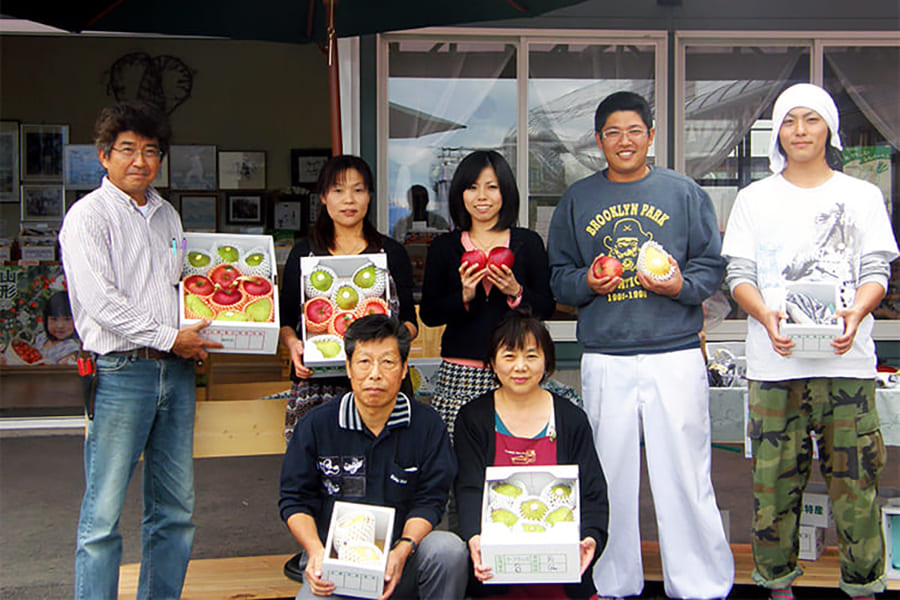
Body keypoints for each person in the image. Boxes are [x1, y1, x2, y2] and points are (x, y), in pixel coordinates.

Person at [546, 91, 734, 600]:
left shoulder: (683, 193)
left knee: (686, 471)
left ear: (651, 135)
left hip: (673, 350)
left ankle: (700, 585)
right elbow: (558, 279)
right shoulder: (578, 200)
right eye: (612, 132)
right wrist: (588, 281)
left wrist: (679, 287)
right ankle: (610, 580)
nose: (623, 141)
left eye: (634, 130)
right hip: (606, 353)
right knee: (608, 472)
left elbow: (710, 266)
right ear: (598, 140)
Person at [721, 83, 897, 600]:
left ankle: (864, 587)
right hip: (775, 366)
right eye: (790, 120)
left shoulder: (860, 195)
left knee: (856, 484)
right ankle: (777, 585)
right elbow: (739, 275)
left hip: (847, 365)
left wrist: (856, 312)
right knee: (773, 486)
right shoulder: (755, 199)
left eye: (812, 120)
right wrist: (765, 315)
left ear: (829, 129)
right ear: (777, 131)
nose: (800, 130)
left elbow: (875, 270)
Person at [59, 100, 222, 600]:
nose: (140, 161)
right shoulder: (87, 216)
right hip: (119, 373)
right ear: (103, 156)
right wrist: (171, 336)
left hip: (174, 373)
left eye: (151, 151)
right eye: (127, 149)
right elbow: (101, 302)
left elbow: (180, 288)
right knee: (103, 514)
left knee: (175, 512)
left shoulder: (167, 215)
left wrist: (193, 334)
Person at [279, 314, 469, 600]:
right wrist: (317, 552)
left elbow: (431, 500)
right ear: (349, 367)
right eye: (364, 361)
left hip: (401, 558)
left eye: (388, 362)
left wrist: (403, 549)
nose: (375, 374)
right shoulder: (317, 425)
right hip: (334, 565)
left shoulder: (427, 425)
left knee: (448, 550)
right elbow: (294, 499)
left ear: (404, 368)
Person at [454, 309, 609, 599]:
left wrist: (590, 539)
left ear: (547, 361)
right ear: (492, 362)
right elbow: (469, 488)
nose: (520, 367)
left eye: (531, 355)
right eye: (509, 356)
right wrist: (474, 539)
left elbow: (592, 491)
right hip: (496, 571)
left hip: (561, 571)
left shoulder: (571, 419)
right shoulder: (473, 418)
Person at [279, 154, 418, 439]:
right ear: (323, 197)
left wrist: (391, 340)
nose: (349, 200)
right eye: (338, 190)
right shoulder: (304, 254)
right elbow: (286, 319)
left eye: (358, 190)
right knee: (320, 471)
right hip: (318, 384)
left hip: (381, 382)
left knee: (389, 468)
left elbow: (410, 323)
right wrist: (293, 344)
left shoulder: (391, 253)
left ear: (369, 197)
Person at [420, 150, 555, 438]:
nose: (482, 196)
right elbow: (430, 314)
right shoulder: (445, 247)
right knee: (460, 463)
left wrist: (516, 292)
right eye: (472, 187)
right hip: (460, 373)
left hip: (516, 370)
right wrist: (464, 295)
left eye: (491, 187)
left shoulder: (527, 243)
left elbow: (546, 307)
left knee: (514, 457)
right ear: (460, 194)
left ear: (505, 191)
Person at [36, 290, 80, 365]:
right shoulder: (42, 338)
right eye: (54, 319)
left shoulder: (71, 348)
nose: (60, 326)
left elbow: (61, 370)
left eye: (67, 319)